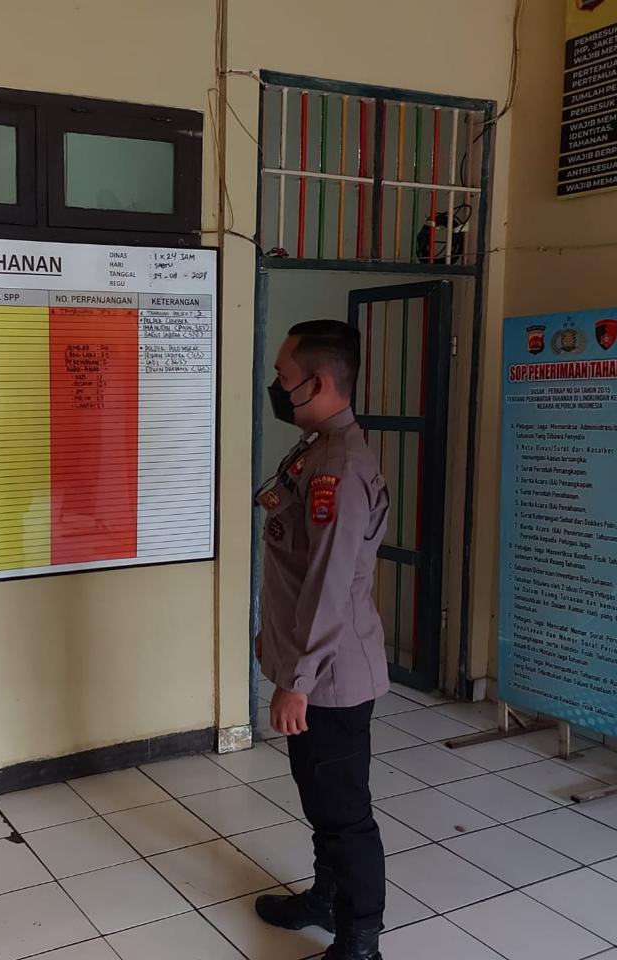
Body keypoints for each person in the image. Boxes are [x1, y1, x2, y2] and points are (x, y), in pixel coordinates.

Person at [253, 319, 390, 960]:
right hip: (313, 664)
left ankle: (360, 941)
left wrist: (297, 679)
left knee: (345, 813)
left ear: (320, 382)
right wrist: (275, 641)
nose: (277, 387)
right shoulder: (316, 448)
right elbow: (296, 566)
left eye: (284, 377)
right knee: (319, 798)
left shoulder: (340, 467)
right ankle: (326, 899)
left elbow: (330, 583)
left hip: (331, 677)